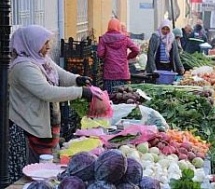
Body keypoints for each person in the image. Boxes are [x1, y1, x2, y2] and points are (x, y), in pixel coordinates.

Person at [8, 25, 105, 183]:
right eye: (44, 43)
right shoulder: (23, 67)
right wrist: (81, 92)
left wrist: (77, 79)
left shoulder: (41, 60)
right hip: (29, 127)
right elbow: (47, 92)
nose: (48, 47)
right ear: (31, 43)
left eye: (48, 42)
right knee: (33, 172)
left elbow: (60, 74)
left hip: (44, 125)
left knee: (45, 168)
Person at [97, 18, 140, 94]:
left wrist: (106, 57)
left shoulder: (104, 38)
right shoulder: (124, 38)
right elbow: (136, 50)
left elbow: (100, 54)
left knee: (111, 96)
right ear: (118, 27)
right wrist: (128, 57)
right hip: (122, 72)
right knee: (123, 96)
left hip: (109, 73)